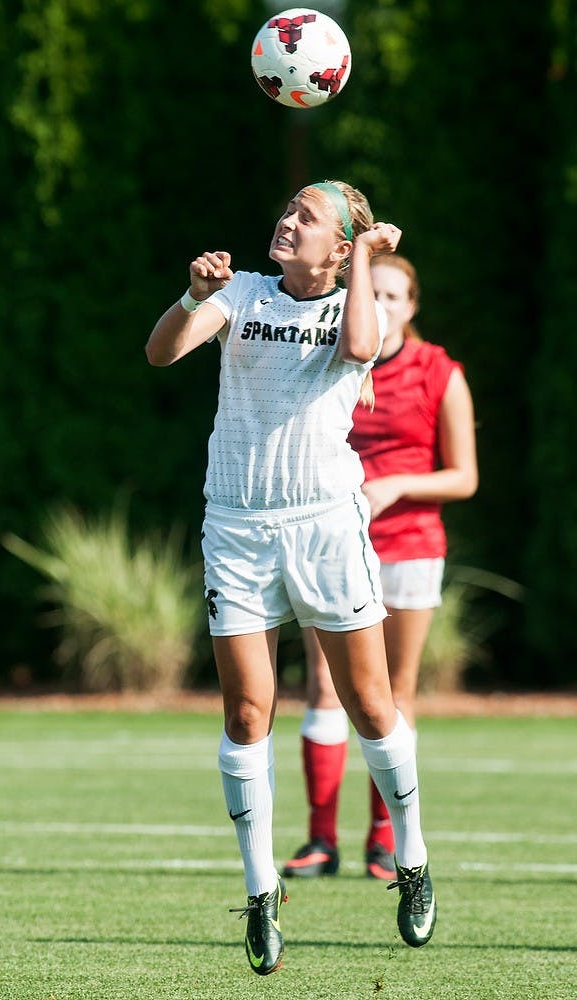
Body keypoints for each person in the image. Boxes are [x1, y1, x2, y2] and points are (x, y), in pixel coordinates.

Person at [145, 182, 437, 976]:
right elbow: (162, 351)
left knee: (373, 706)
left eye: (308, 217)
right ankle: (260, 888)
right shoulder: (240, 292)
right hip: (236, 528)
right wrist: (193, 295)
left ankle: (411, 860)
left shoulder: (352, 305)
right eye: (288, 209)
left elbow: (358, 350)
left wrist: (366, 261)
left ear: (340, 247)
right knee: (247, 713)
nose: (287, 220)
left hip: (324, 528)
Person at [281, 253, 478, 883]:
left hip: (411, 545)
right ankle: (319, 839)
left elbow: (465, 477)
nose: (384, 304)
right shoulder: (330, 355)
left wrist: (395, 487)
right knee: (322, 686)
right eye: (375, 292)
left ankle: (384, 840)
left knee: (394, 694)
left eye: (396, 296)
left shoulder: (437, 370)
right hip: (332, 543)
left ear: (413, 305)